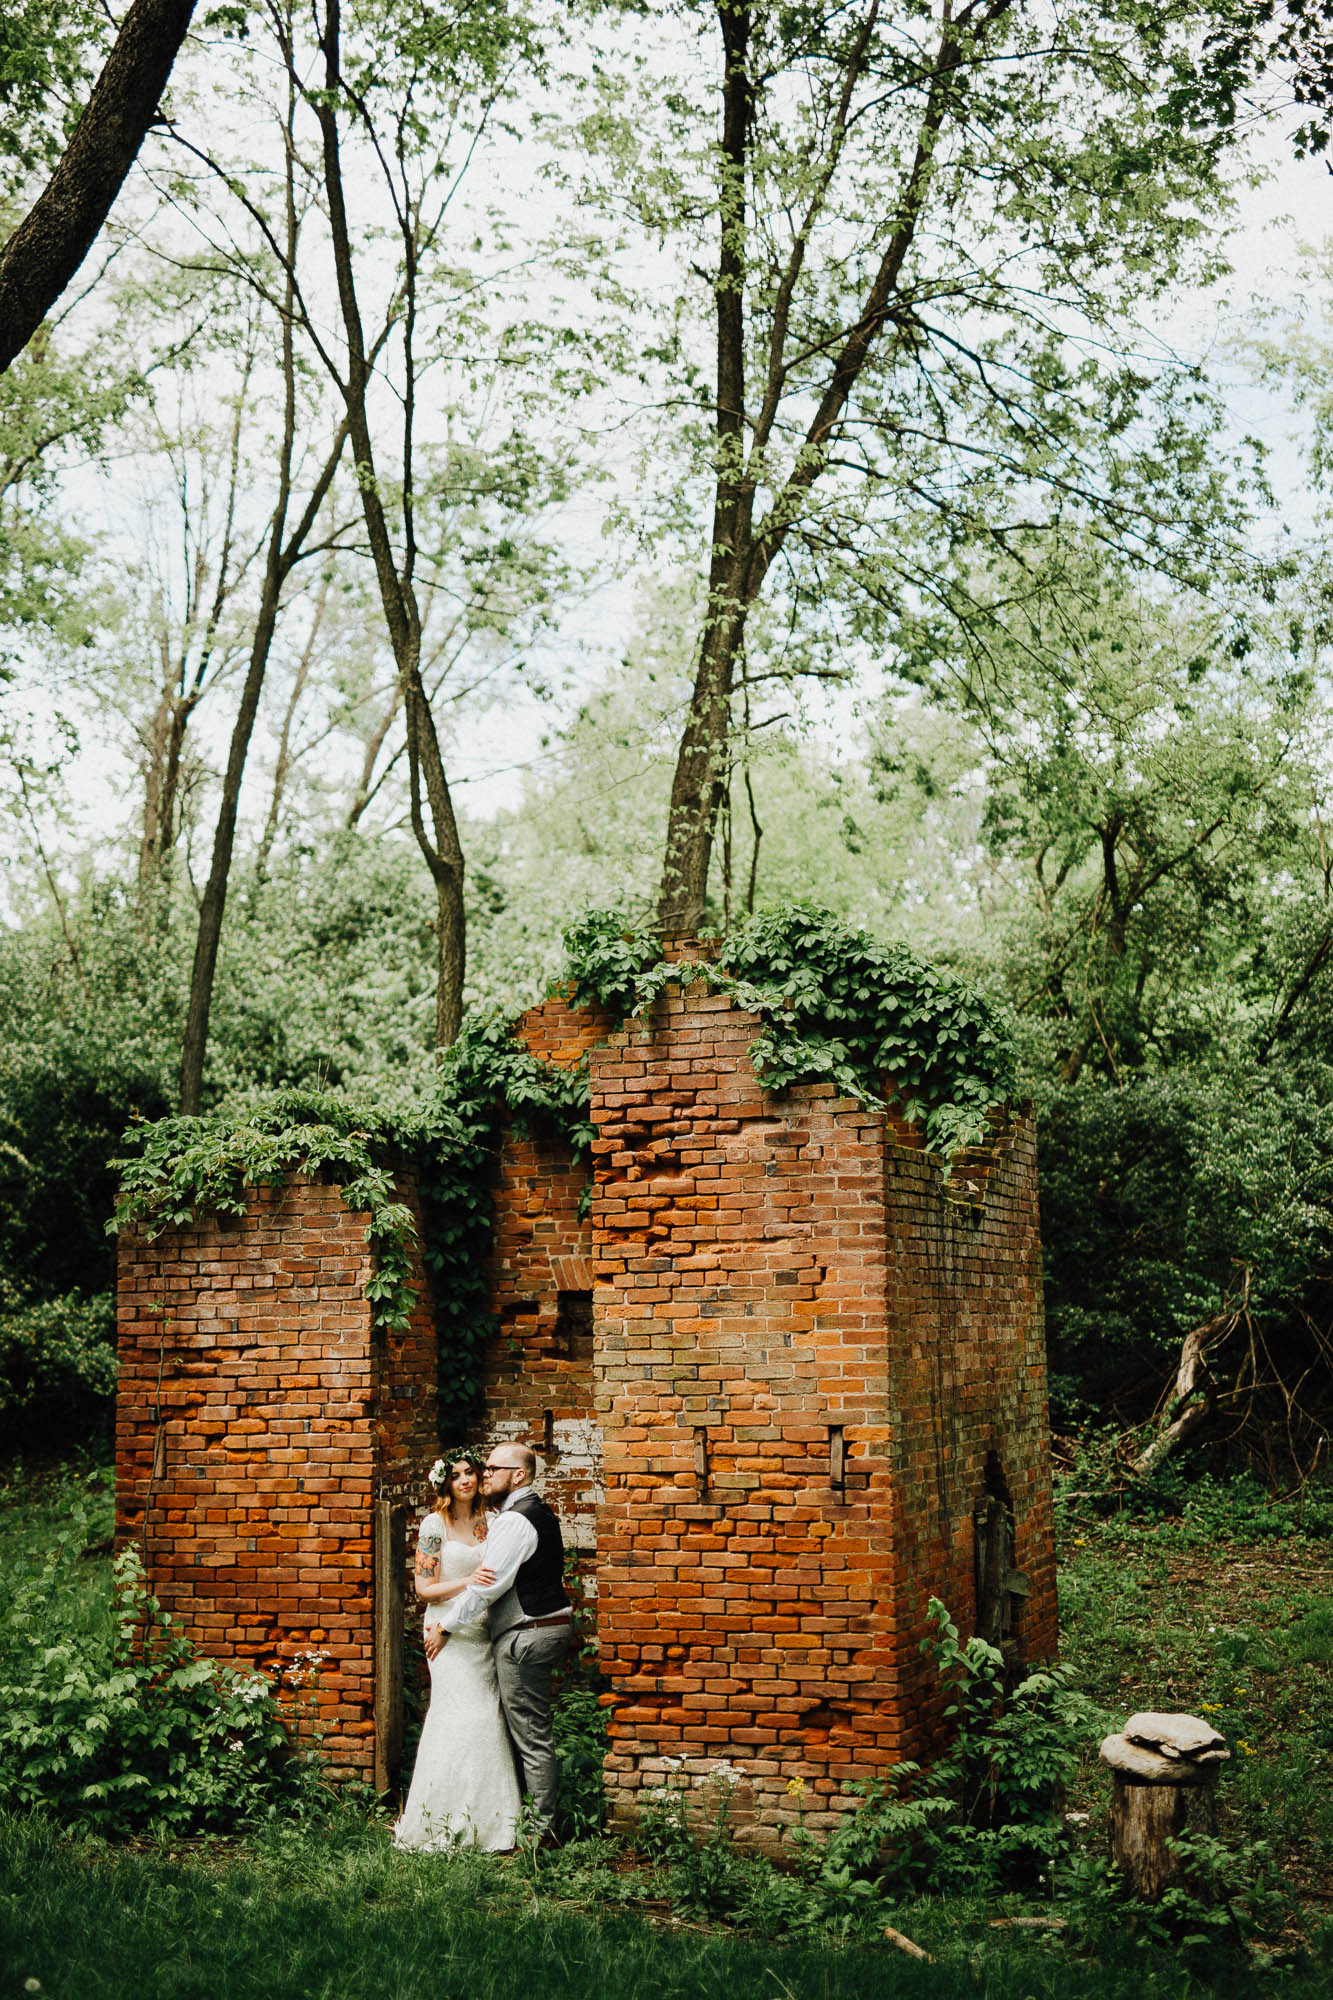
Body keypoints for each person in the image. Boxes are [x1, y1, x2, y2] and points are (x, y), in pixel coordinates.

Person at [430, 1442, 572, 1834]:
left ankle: (542, 1833)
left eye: (493, 1468)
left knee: (530, 1735)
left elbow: (486, 1588)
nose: (484, 1474)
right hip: (541, 1627)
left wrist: (445, 1627)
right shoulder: (534, 1511)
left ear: (519, 1475)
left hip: (527, 1632)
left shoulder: (514, 1521)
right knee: (529, 1731)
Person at [392, 1453, 521, 1852]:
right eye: (456, 1475)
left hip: (482, 1632)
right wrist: (467, 1580)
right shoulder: (435, 1525)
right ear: (444, 1483)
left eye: (470, 1473)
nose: (464, 1480)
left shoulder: (491, 1522)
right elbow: (423, 1588)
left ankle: (490, 1824)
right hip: (445, 1633)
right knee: (454, 1717)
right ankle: (437, 1820)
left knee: (486, 1716)